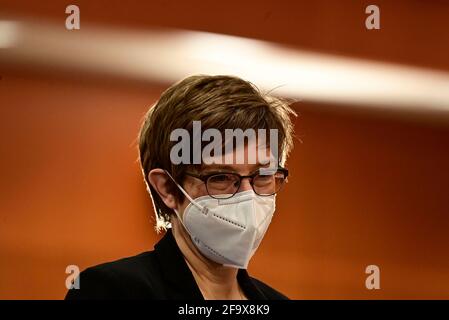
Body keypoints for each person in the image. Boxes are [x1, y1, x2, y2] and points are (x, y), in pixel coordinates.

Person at [65, 75, 296, 300]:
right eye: (221, 178)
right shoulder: (111, 292)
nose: (248, 196)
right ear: (167, 188)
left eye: (263, 175)